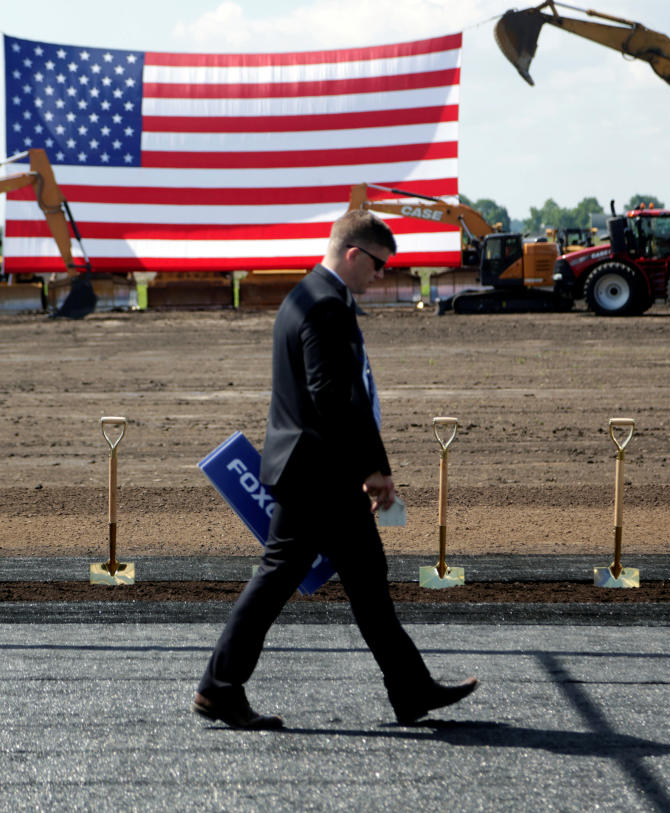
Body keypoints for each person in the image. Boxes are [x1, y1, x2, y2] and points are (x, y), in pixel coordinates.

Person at [192, 209, 479, 729]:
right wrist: (372, 467)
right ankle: (219, 687)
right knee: (287, 580)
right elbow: (334, 398)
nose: (381, 275)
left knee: (365, 582)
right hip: (318, 473)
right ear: (354, 254)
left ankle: (410, 689)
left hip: (310, 467)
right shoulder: (326, 305)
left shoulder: (308, 295)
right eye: (378, 265)